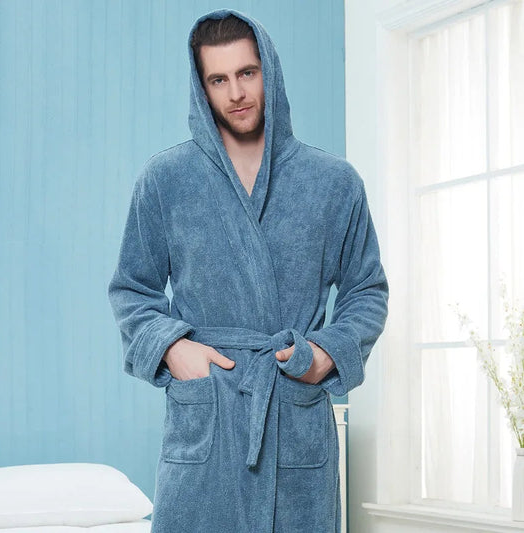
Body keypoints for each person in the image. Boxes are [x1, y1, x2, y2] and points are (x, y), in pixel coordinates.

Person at [107, 8, 388, 533]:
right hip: (208, 412)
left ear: (268, 71)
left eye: (247, 73)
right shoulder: (166, 179)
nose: (236, 92)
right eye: (219, 79)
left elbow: (366, 291)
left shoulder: (334, 182)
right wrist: (174, 349)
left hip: (291, 404)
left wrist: (325, 356)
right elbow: (132, 290)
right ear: (202, 88)